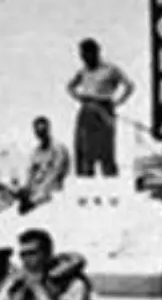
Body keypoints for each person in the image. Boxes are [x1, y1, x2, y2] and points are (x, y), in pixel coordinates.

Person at [66, 38, 133, 177]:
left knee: (106, 150)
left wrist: (118, 102)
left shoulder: (110, 69)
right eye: (82, 55)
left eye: (88, 54)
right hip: (87, 109)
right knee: (85, 151)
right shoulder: (83, 71)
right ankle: (85, 183)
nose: (85, 58)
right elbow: (70, 86)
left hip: (104, 109)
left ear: (96, 52)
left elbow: (129, 86)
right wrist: (79, 97)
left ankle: (111, 183)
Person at [18, 116, 71, 210]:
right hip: (38, 188)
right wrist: (27, 188)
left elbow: (55, 172)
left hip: (53, 190)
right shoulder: (36, 152)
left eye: (43, 131)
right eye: (38, 131)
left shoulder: (58, 149)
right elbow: (31, 173)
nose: (41, 134)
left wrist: (37, 195)